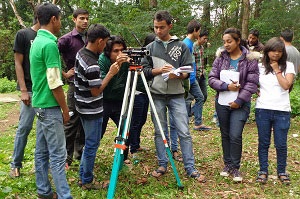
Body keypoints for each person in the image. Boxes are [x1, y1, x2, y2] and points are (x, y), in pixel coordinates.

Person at [141, 10, 206, 182]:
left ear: (170, 26)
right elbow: (144, 71)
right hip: (157, 94)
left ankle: (190, 167)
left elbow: (188, 69)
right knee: (160, 131)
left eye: (162, 27)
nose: (158, 31)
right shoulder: (149, 48)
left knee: (184, 130)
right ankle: (162, 164)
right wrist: (158, 71)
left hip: (177, 95)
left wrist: (178, 74)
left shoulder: (182, 46)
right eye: (155, 27)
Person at [29, 3, 72, 198]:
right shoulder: (49, 45)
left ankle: (44, 191)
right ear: (53, 19)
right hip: (50, 106)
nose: (60, 23)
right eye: (60, 19)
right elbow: (55, 83)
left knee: (41, 151)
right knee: (57, 155)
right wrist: (64, 110)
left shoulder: (36, 41)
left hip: (38, 104)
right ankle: (65, 195)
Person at [208, 28, 259, 182]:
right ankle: (227, 164)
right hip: (222, 102)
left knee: (235, 134)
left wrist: (239, 101)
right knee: (225, 134)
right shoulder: (220, 58)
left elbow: (252, 83)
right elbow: (211, 78)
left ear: (238, 41)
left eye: (229, 41)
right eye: (224, 42)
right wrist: (225, 86)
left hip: (241, 104)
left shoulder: (249, 60)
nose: (226, 44)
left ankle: (235, 167)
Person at [74, 24, 119, 190]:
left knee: (89, 143)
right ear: (99, 41)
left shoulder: (81, 53)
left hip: (81, 106)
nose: (106, 46)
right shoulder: (92, 63)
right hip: (91, 109)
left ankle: (82, 175)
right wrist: (110, 74)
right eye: (105, 42)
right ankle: (87, 180)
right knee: (92, 144)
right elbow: (96, 91)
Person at [99, 36, 148, 161]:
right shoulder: (103, 61)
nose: (120, 54)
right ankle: (87, 157)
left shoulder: (127, 62)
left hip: (121, 100)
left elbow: (137, 83)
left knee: (126, 130)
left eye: (122, 50)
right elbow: (102, 85)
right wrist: (113, 70)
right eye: (116, 51)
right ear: (108, 52)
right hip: (104, 100)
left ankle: (123, 159)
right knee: (99, 132)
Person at [255, 37, 295, 185]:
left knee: (281, 143)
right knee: (263, 142)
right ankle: (263, 171)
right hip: (263, 109)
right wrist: (255, 90)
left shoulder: (288, 66)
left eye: (279, 51)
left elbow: (286, 85)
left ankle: (282, 171)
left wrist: (277, 70)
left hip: (282, 110)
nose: (276, 54)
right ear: (267, 51)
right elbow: (251, 82)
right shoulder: (259, 66)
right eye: (273, 51)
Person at [9, 6, 40, 178]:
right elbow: (18, 63)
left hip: (45, 91)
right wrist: (23, 90)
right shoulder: (23, 35)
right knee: (24, 127)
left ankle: (41, 164)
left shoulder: (48, 37)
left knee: (44, 131)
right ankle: (15, 164)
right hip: (29, 89)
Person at [58, 8, 89, 166]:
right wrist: (63, 73)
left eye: (86, 19)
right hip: (74, 85)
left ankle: (80, 153)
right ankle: (65, 158)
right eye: (81, 18)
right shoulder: (66, 39)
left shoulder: (90, 38)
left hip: (89, 86)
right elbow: (50, 56)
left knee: (85, 120)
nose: (85, 21)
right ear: (74, 19)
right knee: (71, 121)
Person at [183, 20, 211, 131]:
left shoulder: (188, 43)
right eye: (199, 31)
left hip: (192, 77)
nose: (199, 34)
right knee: (195, 98)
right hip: (190, 77)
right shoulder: (187, 44)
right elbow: (188, 63)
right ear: (195, 30)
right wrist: (191, 78)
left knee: (199, 97)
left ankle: (196, 122)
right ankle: (191, 122)